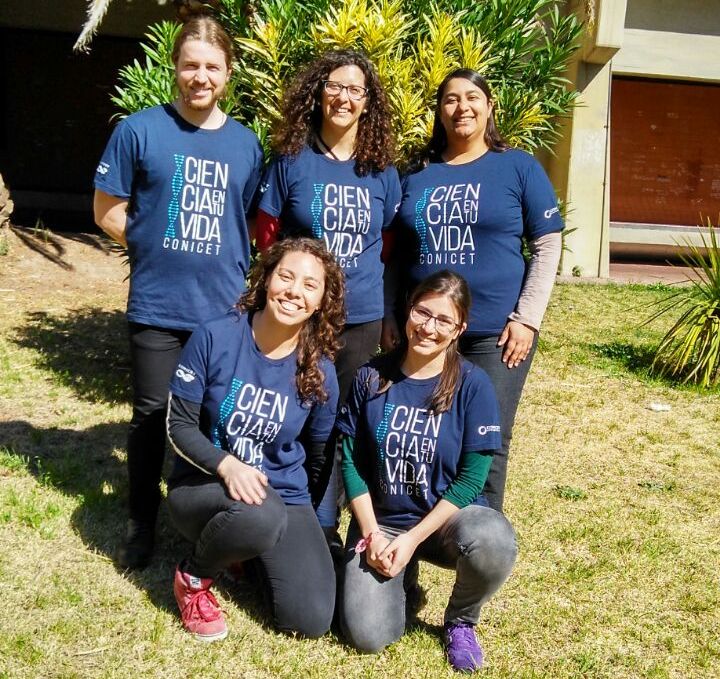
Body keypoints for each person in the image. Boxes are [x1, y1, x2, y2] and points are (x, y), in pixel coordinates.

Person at [93, 15, 264, 569]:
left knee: (217, 417)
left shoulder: (246, 144)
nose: (200, 77)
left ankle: (211, 519)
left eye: (212, 67)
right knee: (152, 414)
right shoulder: (139, 131)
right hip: (158, 303)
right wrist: (153, 245)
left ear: (228, 73)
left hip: (223, 309)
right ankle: (142, 520)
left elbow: (246, 221)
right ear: (175, 68)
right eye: (191, 65)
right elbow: (107, 210)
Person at [392, 68, 563, 512]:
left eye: (472, 97)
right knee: (422, 433)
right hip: (426, 331)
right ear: (439, 111)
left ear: (489, 106)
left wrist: (527, 318)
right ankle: (418, 530)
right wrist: (394, 317)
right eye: (450, 99)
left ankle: (480, 537)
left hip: (495, 333)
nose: (461, 107)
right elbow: (394, 253)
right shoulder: (416, 173)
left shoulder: (518, 167)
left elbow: (547, 244)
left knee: (488, 438)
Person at [166, 237, 345, 642]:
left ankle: (247, 552)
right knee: (260, 513)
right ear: (266, 279)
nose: (294, 291)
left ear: (322, 301)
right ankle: (193, 577)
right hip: (205, 486)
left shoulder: (320, 371)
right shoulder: (215, 336)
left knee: (310, 619)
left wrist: (319, 528)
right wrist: (226, 464)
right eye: (286, 276)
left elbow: (320, 456)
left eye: (310, 285)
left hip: (283, 493)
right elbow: (179, 427)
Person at [338, 270, 517, 672]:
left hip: (445, 523)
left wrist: (413, 539)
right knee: (369, 636)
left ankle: (461, 621)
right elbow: (349, 461)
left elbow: (472, 479)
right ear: (408, 310)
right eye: (422, 312)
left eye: (443, 320)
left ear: (459, 329)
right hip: (382, 524)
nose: (428, 328)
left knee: (493, 540)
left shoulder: (473, 385)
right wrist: (373, 534)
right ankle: (405, 581)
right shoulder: (371, 377)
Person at [255, 49, 401, 534]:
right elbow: (267, 236)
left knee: (342, 418)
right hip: (300, 313)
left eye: (355, 90)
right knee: (294, 407)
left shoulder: (381, 169)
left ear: (367, 102)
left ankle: (326, 519)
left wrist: (386, 311)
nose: (344, 98)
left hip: (360, 315)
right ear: (318, 94)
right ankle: (279, 506)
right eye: (334, 86)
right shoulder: (291, 160)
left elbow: (387, 244)